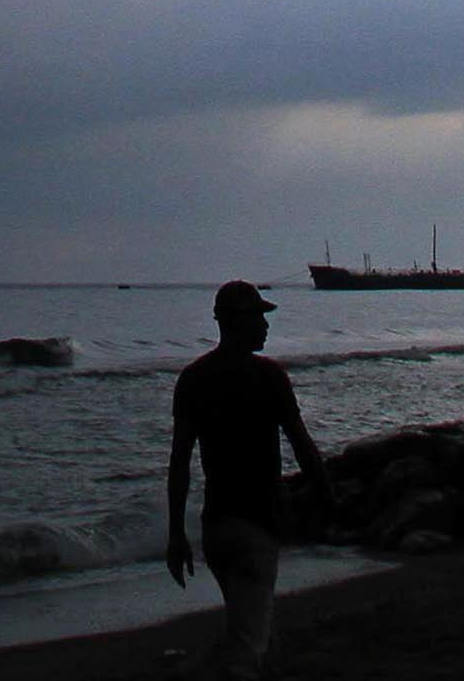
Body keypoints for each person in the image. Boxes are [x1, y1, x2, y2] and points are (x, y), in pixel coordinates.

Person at [166, 278, 326, 679]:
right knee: (247, 644)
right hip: (257, 525)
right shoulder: (269, 376)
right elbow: (302, 445)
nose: (266, 326)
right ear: (237, 323)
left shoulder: (193, 379)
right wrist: (326, 493)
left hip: (217, 527)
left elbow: (180, 463)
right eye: (258, 317)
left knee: (249, 624)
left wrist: (176, 534)